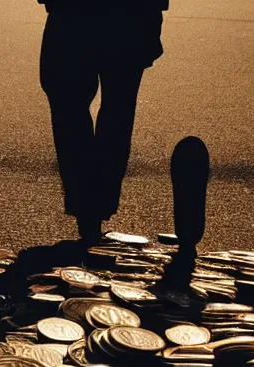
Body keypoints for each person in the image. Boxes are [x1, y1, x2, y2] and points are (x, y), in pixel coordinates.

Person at [38, 0, 169, 247]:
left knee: (74, 105)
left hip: (78, 13)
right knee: (114, 109)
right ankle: (94, 205)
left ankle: (88, 205)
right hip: (125, 14)